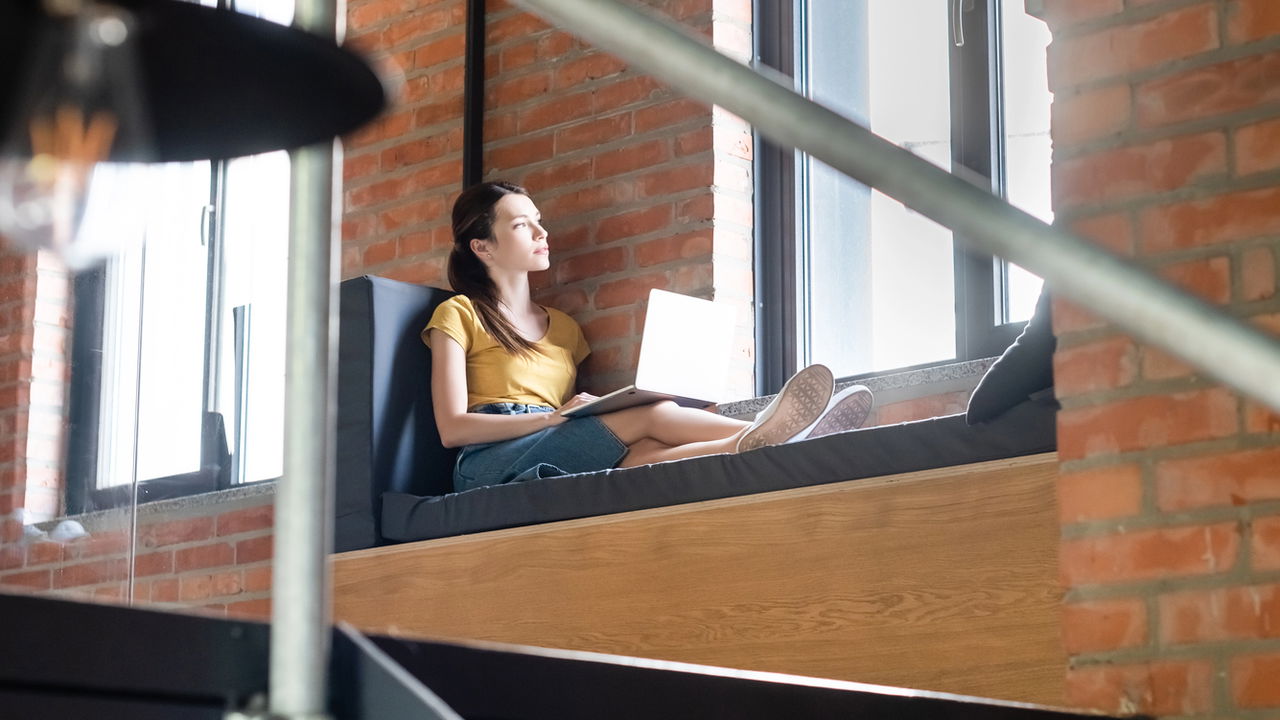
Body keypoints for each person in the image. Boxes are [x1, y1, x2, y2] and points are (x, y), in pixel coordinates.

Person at [423, 180, 873, 492]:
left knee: (642, 450)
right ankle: (773, 434)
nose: (542, 233)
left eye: (538, 220)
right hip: (489, 463)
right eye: (522, 225)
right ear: (483, 247)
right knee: (655, 413)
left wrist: (580, 412)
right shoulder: (460, 313)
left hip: (554, 438)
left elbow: (578, 422)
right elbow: (452, 429)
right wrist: (549, 418)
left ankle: (748, 446)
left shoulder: (565, 328)